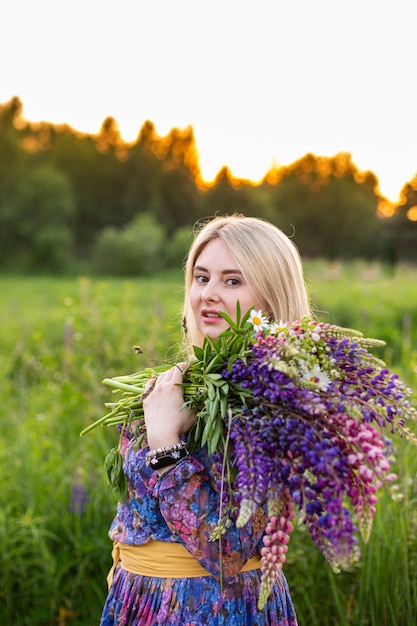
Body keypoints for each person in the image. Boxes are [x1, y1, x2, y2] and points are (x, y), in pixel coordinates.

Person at [100, 213, 311, 625]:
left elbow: (227, 550)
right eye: (201, 278)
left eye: (232, 281)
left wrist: (166, 445)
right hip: (140, 602)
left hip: (214, 609)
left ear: (269, 298)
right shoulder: (176, 385)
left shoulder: (273, 405)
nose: (208, 294)